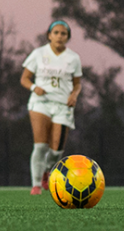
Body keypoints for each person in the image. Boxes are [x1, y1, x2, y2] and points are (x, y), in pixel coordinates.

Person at [20, 20, 83, 195]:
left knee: (56, 151)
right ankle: (36, 185)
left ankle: (47, 170)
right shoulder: (38, 54)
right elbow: (24, 78)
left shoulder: (73, 58)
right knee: (40, 146)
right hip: (41, 103)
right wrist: (34, 87)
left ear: (68, 37)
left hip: (62, 105)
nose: (59, 36)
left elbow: (77, 84)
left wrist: (74, 95)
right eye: (56, 32)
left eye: (63, 33)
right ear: (49, 35)